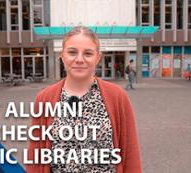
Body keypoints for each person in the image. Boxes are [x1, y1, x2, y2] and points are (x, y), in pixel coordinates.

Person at [26, 26, 142, 173]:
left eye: (88, 53)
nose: (79, 59)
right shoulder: (44, 99)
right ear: (62, 55)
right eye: (72, 52)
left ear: (97, 58)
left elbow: (130, 153)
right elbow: (35, 156)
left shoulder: (118, 97)